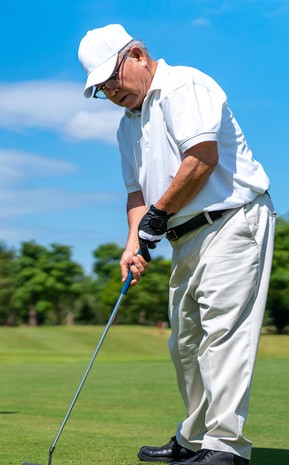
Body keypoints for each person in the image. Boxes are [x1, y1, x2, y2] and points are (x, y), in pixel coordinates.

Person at [78, 24, 275, 465]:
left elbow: (201, 158)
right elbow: (136, 194)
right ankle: (194, 438)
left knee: (222, 334)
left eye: (112, 79)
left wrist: (158, 215)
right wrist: (133, 242)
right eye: (102, 89)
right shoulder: (126, 127)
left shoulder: (184, 84)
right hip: (183, 236)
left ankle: (225, 448)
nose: (111, 92)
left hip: (231, 220)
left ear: (137, 55)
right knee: (184, 343)